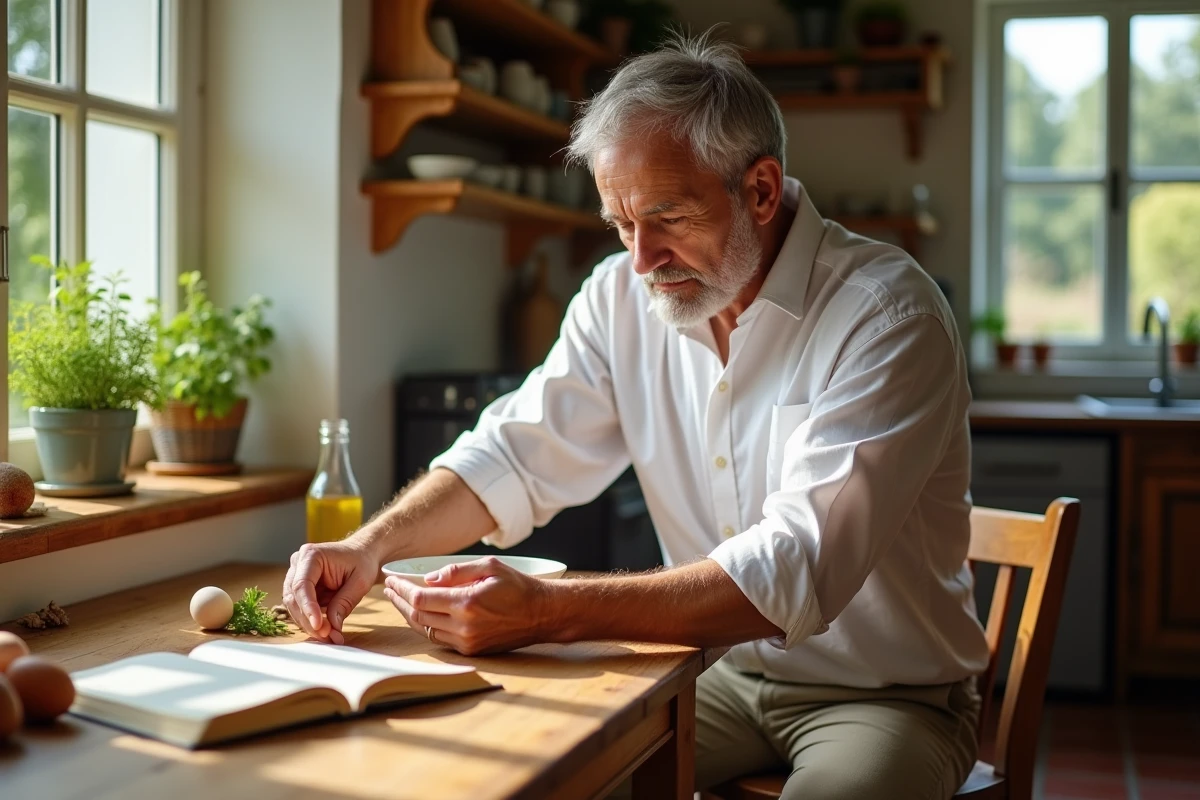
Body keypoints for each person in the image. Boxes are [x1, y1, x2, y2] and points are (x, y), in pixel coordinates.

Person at [282, 32, 988, 799]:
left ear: (759, 188)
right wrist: (370, 546)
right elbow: (513, 456)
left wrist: (548, 612)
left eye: (668, 217)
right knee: (542, 771)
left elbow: (796, 567)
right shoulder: (620, 297)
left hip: (883, 696)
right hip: (707, 667)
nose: (642, 258)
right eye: (621, 223)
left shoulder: (887, 315)